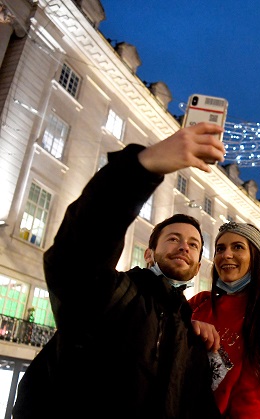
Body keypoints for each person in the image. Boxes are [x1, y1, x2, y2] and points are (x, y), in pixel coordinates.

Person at [12, 122, 227, 419]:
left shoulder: (191, 336)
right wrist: (142, 167)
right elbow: (77, 252)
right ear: (149, 254)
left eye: (193, 244)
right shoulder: (112, 295)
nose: (184, 247)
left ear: (198, 266)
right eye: (173, 239)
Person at [188, 221, 260, 419]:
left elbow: (259, 388)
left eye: (238, 247)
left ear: (254, 257)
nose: (226, 255)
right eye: (220, 249)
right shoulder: (199, 302)